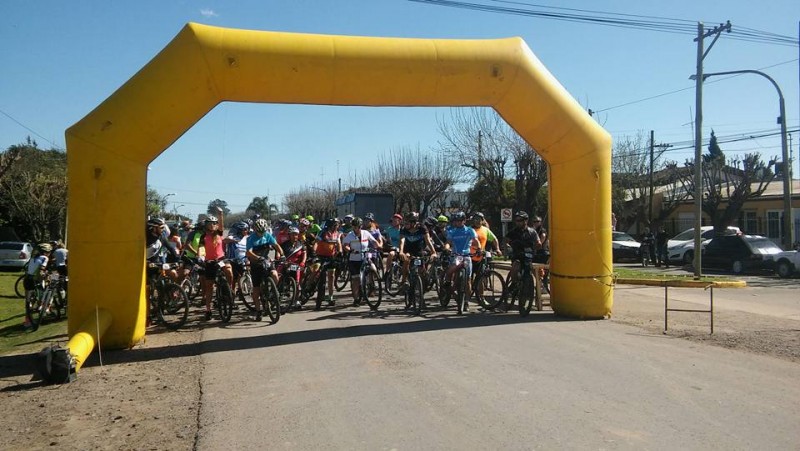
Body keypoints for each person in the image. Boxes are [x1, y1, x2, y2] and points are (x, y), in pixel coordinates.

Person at [443, 211, 481, 313]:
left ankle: (466, 301)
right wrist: (447, 248)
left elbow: (476, 241)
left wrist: (479, 249)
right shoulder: (452, 231)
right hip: (456, 255)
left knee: (468, 280)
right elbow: (448, 242)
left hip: (467, 256)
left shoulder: (469, 230)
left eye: (460, 220)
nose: (458, 222)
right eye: (456, 221)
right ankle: (447, 283)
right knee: (450, 271)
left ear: (464, 221)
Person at [246, 218, 284, 321]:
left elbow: (276, 245)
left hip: (266, 261)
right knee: (256, 290)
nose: (262, 233)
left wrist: (282, 254)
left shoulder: (267, 235)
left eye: (263, 231)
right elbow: (248, 252)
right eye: (260, 232)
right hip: (256, 263)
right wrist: (257, 257)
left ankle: (272, 293)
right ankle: (258, 311)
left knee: (275, 274)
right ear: (255, 229)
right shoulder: (251, 238)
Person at [199, 211, 233, 321]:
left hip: (221, 259)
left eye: (214, 223)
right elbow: (201, 248)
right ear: (206, 225)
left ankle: (229, 289)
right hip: (209, 261)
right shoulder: (203, 236)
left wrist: (221, 214)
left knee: (228, 270)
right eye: (210, 223)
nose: (212, 225)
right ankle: (208, 310)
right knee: (209, 286)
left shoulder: (219, 233)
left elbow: (221, 224)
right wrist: (201, 257)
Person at [341, 217, 381, 305]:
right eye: (355, 227)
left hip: (365, 257)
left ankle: (371, 284)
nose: (357, 228)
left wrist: (377, 246)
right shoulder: (350, 235)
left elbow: (374, 241)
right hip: (354, 259)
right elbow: (345, 245)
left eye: (358, 227)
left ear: (361, 226)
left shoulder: (366, 233)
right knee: (355, 279)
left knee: (373, 268)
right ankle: (356, 298)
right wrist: (350, 250)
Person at [398, 212, 437, 291]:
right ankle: (404, 281)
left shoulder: (422, 228)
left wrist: (433, 252)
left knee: (421, 269)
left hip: (419, 250)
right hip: (408, 249)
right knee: (407, 259)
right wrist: (401, 251)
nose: (405, 225)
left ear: (413, 223)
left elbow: (428, 241)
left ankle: (421, 285)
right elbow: (402, 240)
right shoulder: (404, 229)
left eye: (407, 223)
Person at [505, 211, 541, 290]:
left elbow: (538, 242)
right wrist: (508, 246)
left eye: (520, 220)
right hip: (517, 255)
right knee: (516, 265)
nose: (518, 222)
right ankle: (514, 284)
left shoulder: (532, 232)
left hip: (529, 256)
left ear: (526, 221)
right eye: (516, 220)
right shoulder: (513, 232)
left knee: (537, 271)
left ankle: (539, 288)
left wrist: (538, 245)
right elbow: (506, 241)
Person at [469, 212, 501, 300]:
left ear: (482, 221)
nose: (477, 221)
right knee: (468, 278)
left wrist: (497, 249)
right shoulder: (468, 230)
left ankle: (482, 298)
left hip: (481, 257)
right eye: (475, 219)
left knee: (481, 278)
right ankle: (467, 298)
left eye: (479, 219)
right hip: (469, 257)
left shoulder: (485, 230)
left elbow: (494, 239)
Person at [313, 218, 343, 308]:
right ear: (330, 225)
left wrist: (340, 252)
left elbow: (339, 243)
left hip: (331, 257)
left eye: (337, 225)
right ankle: (309, 285)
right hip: (321, 256)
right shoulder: (323, 232)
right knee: (317, 271)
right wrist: (314, 251)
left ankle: (330, 296)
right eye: (335, 225)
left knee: (331, 276)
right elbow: (316, 243)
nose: (337, 227)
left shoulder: (337, 233)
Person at [23, 243, 52, 328]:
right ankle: (43, 312)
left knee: (28, 301)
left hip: (27, 280)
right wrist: (47, 276)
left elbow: (27, 267)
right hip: (36, 280)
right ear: (46, 252)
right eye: (49, 252)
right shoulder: (45, 258)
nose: (49, 253)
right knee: (43, 295)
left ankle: (27, 321)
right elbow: (41, 271)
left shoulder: (32, 257)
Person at [224, 221, 250, 292]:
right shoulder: (233, 236)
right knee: (234, 278)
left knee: (244, 272)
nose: (246, 231)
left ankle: (241, 290)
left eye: (247, 229)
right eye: (244, 229)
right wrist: (233, 240)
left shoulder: (247, 238)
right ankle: (232, 291)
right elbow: (225, 240)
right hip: (233, 260)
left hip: (244, 259)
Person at [383, 213, 404, 277]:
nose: (393, 222)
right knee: (391, 254)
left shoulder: (402, 230)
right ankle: (387, 271)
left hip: (401, 249)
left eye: (395, 221)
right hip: (392, 248)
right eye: (393, 220)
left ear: (399, 221)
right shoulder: (389, 229)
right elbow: (387, 238)